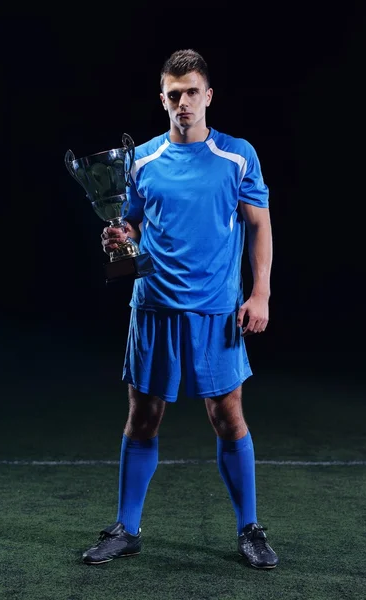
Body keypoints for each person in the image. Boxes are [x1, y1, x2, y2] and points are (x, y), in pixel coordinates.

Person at [82, 49, 279, 570]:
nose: (183, 102)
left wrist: (258, 294)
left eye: (192, 92)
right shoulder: (140, 161)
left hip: (216, 309)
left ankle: (250, 529)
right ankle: (127, 528)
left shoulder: (237, 155)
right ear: (162, 99)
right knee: (142, 418)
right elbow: (129, 236)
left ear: (208, 95)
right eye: (174, 94)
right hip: (153, 309)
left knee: (227, 416)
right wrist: (118, 243)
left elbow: (259, 225)